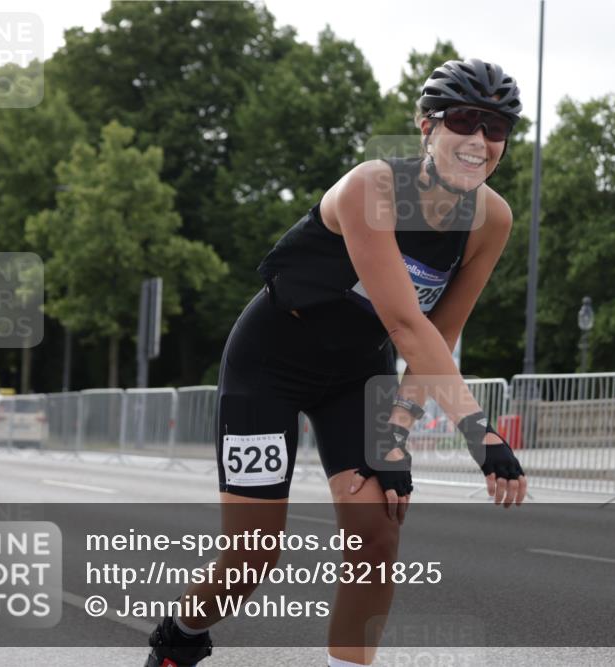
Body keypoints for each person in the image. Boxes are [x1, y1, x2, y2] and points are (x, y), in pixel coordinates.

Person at [144, 57, 528, 667]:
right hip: (270, 363)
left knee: (377, 533)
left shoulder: (491, 219)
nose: (480, 141)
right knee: (254, 554)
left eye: (498, 128)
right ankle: (182, 634)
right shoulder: (371, 188)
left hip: (356, 374)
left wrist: (395, 438)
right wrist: (482, 437)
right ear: (426, 127)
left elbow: (439, 334)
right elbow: (406, 324)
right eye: (464, 120)